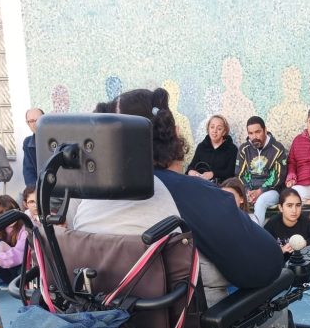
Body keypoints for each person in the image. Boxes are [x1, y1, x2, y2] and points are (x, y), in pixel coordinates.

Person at [71, 89, 283, 305]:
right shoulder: (190, 193)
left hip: (103, 318)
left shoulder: (85, 202)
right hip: (182, 322)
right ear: (172, 133)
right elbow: (267, 263)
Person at [235, 116, 288, 224]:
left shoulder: (277, 148)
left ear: (265, 130)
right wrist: (248, 191)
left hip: (271, 191)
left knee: (261, 201)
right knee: (234, 198)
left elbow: (279, 176)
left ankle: (256, 233)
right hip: (249, 190)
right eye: (250, 133)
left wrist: (260, 191)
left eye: (257, 132)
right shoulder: (244, 149)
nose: (254, 137)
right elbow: (239, 174)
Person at [263, 188, 310, 262]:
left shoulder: (306, 222)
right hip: (280, 266)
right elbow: (261, 249)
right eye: (289, 205)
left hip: (303, 264)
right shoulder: (272, 224)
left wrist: (306, 243)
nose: (294, 210)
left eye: (298, 205)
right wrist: (280, 251)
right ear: (281, 207)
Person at [187, 114, 236, 184]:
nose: (214, 131)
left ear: (224, 132)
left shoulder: (232, 149)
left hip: (221, 187)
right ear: (208, 129)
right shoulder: (201, 147)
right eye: (212, 127)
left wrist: (213, 174)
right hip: (202, 185)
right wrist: (191, 172)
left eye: (219, 129)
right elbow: (191, 167)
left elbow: (231, 173)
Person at [23, 107, 43, 188]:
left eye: (38, 120)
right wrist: (34, 190)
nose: (35, 123)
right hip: (40, 187)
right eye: (31, 121)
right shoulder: (27, 142)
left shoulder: (57, 138)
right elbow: (28, 170)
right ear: (27, 123)